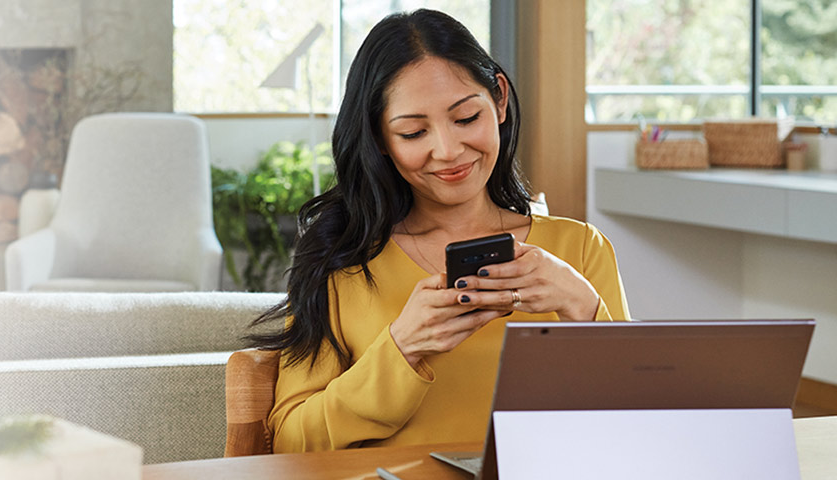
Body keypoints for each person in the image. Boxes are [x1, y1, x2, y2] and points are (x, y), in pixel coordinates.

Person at [247, 9, 630, 453]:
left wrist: (583, 308)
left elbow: (642, 424)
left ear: (500, 99)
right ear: (379, 139)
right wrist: (401, 349)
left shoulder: (579, 249)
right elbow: (292, 444)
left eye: (466, 118)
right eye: (413, 132)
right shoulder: (343, 260)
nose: (447, 151)